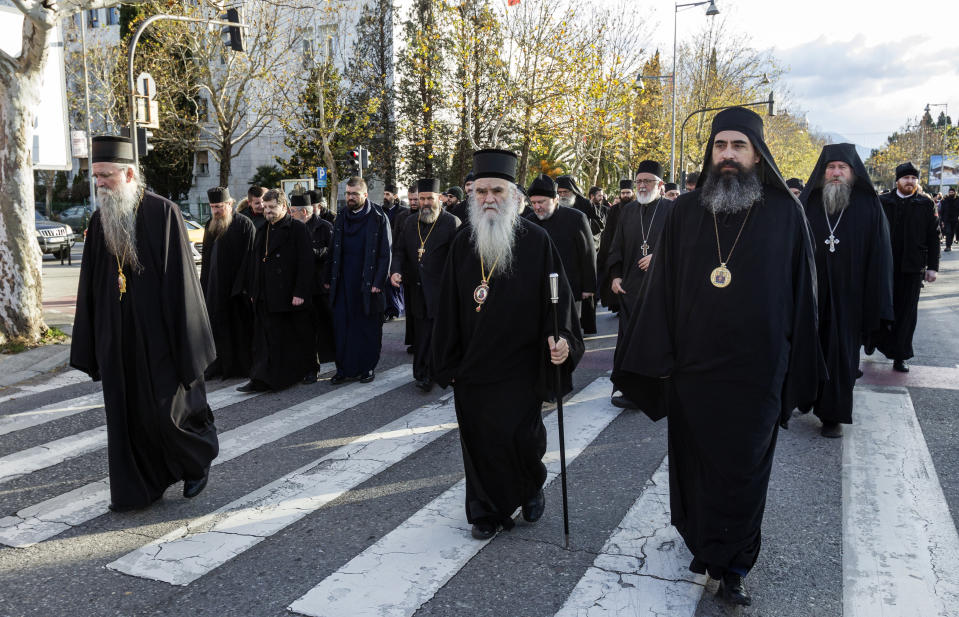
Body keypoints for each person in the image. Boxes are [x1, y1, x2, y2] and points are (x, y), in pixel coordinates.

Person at [612, 108, 823, 606]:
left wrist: (798, 364)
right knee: (697, 466)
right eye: (719, 146)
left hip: (757, 373)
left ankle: (735, 565)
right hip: (695, 370)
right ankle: (704, 544)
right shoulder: (685, 212)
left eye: (738, 146)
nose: (727, 155)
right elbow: (662, 288)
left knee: (744, 470)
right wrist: (653, 360)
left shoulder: (784, 212)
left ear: (757, 153)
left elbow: (803, 294)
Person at [432, 149, 585, 541]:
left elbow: (559, 304)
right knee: (478, 441)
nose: (488, 198)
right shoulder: (463, 242)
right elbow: (447, 305)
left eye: (496, 190)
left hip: (521, 366)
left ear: (513, 195)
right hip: (474, 366)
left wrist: (562, 341)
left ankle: (530, 486)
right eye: (480, 191)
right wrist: (446, 360)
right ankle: (485, 510)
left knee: (524, 439)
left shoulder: (537, 242)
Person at [71, 135, 218, 511]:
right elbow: (90, 285)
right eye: (96, 176)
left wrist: (188, 343)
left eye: (106, 175)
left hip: (159, 336)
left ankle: (195, 463)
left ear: (129, 173)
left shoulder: (162, 212)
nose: (99, 183)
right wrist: (91, 341)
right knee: (127, 415)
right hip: (117, 338)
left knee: (167, 411)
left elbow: (182, 283)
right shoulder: (98, 220)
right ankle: (139, 488)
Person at [799, 144, 894, 437]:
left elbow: (880, 255)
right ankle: (804, 398)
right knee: (807, 347)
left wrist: (876, 299)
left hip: (850, 296)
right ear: (822, 172)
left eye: (842, 168)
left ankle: (832, 415)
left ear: (853, 173)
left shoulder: (868, 206)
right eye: (831, 168)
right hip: (811, 294)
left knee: (841, 355)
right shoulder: (807, 203)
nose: (836, 173)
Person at [607, 161, 673, 409]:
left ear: (660, 185)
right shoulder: (628, 211)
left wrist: (658, 256)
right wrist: (614, 275)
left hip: (660, 289)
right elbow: (616, 247)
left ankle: (658, 391)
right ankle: (628, 389)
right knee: (628, 341)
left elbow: (684, 248)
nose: (643, 186)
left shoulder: (673, 210)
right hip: (631, 289)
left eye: (648, 181)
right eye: (639, 181)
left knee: (656, 342)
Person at [240, 190, 316, 392]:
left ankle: (309, 370)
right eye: (265, 208)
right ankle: (261, 378)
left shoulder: (297, 228)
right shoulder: (262, 229)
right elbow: (255, 263)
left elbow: (306, 263)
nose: (268, 211)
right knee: (266, 339)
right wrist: (254, 291)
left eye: (272, 207)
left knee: (299, 334)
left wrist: (300, 292)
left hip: (291, 293)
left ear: (284, 207)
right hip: (267, 294)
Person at [390, 178, 461, 391]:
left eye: (430, 198)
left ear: (439, 199)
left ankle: (432, 373)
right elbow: (400, 250)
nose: (425, 203)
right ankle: (421, 371)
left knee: (437, 332)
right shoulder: (410, 223)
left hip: (441, 289)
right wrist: (395, 270)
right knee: (421, 333)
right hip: (416, 288)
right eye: (422, 199)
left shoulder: (452, 223)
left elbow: (458, 258)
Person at [326, 177, 391, 383]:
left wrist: (378, 282)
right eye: (347, 194)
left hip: (368, 282)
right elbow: (333, 249)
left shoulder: (379, 216)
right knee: (342, 326)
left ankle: (367, 368)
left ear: (365, 195)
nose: (350, 198)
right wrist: (328, 277)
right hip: (343, 281)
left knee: (367, 327)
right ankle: (343, 369)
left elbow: (385, 253)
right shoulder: (342, 216)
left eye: (354, 194)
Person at [876, 162, 940, 372]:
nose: (910, 182)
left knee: (906, 314)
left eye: (913, 178)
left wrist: (933, 267)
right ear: (898, 180)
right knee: (879, 307)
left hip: (912, 268)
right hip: (884, 267)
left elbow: (933, 237)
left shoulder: (925, 203)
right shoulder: (882, 202)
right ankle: (873, 343)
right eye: (906, 178)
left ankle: (900, 356)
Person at [199, 186, 256, 380]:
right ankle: (217, 366)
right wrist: (203, 287)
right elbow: (206, 259)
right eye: (213, 206)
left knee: (237, 329)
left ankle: (238, 368)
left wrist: (241, 287)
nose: (216, 211)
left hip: (236, 289)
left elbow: (249, 258)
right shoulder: (210, 224)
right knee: (216, 329)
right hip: (214, 289)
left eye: (219, 206)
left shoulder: (244, 224)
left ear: (230, 204)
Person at [528, 173, 597, 325]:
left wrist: (589, 287)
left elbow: (587, 254)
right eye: (533, 203)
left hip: (570, 287)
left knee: (568, 331)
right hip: (539, 289)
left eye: (541, 202)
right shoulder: (528, 222)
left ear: (555, 199)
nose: (537, 207)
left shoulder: (576, 218)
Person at [290, 193, 337, 374]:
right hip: (301, 287)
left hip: (321, 285)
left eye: (293, 211)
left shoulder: (324, 227)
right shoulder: (293, 227)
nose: (290, 214)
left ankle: (332, 356)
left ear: (304, 211)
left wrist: (311, 253)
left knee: (327, 323)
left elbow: (331, 253)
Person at [557, 174, 605, 245]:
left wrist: (584, 229)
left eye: (565, 192)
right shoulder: (554, 205)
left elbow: (600, 223)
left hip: (581, 244)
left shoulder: (585, 203)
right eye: (559, 192)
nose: (562, 195)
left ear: (573, 191)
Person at [940, 187, 958, 251]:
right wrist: (941, 220)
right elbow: (942, 211)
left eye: (952, 192)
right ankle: (947, 246)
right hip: (946, 219)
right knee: (948, 232)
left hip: (955, 220)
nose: (951, 193)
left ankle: (949, 245)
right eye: (950, 192)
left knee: (952, 233)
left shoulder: (957, 200)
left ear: (955, 193)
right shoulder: (945, 200)